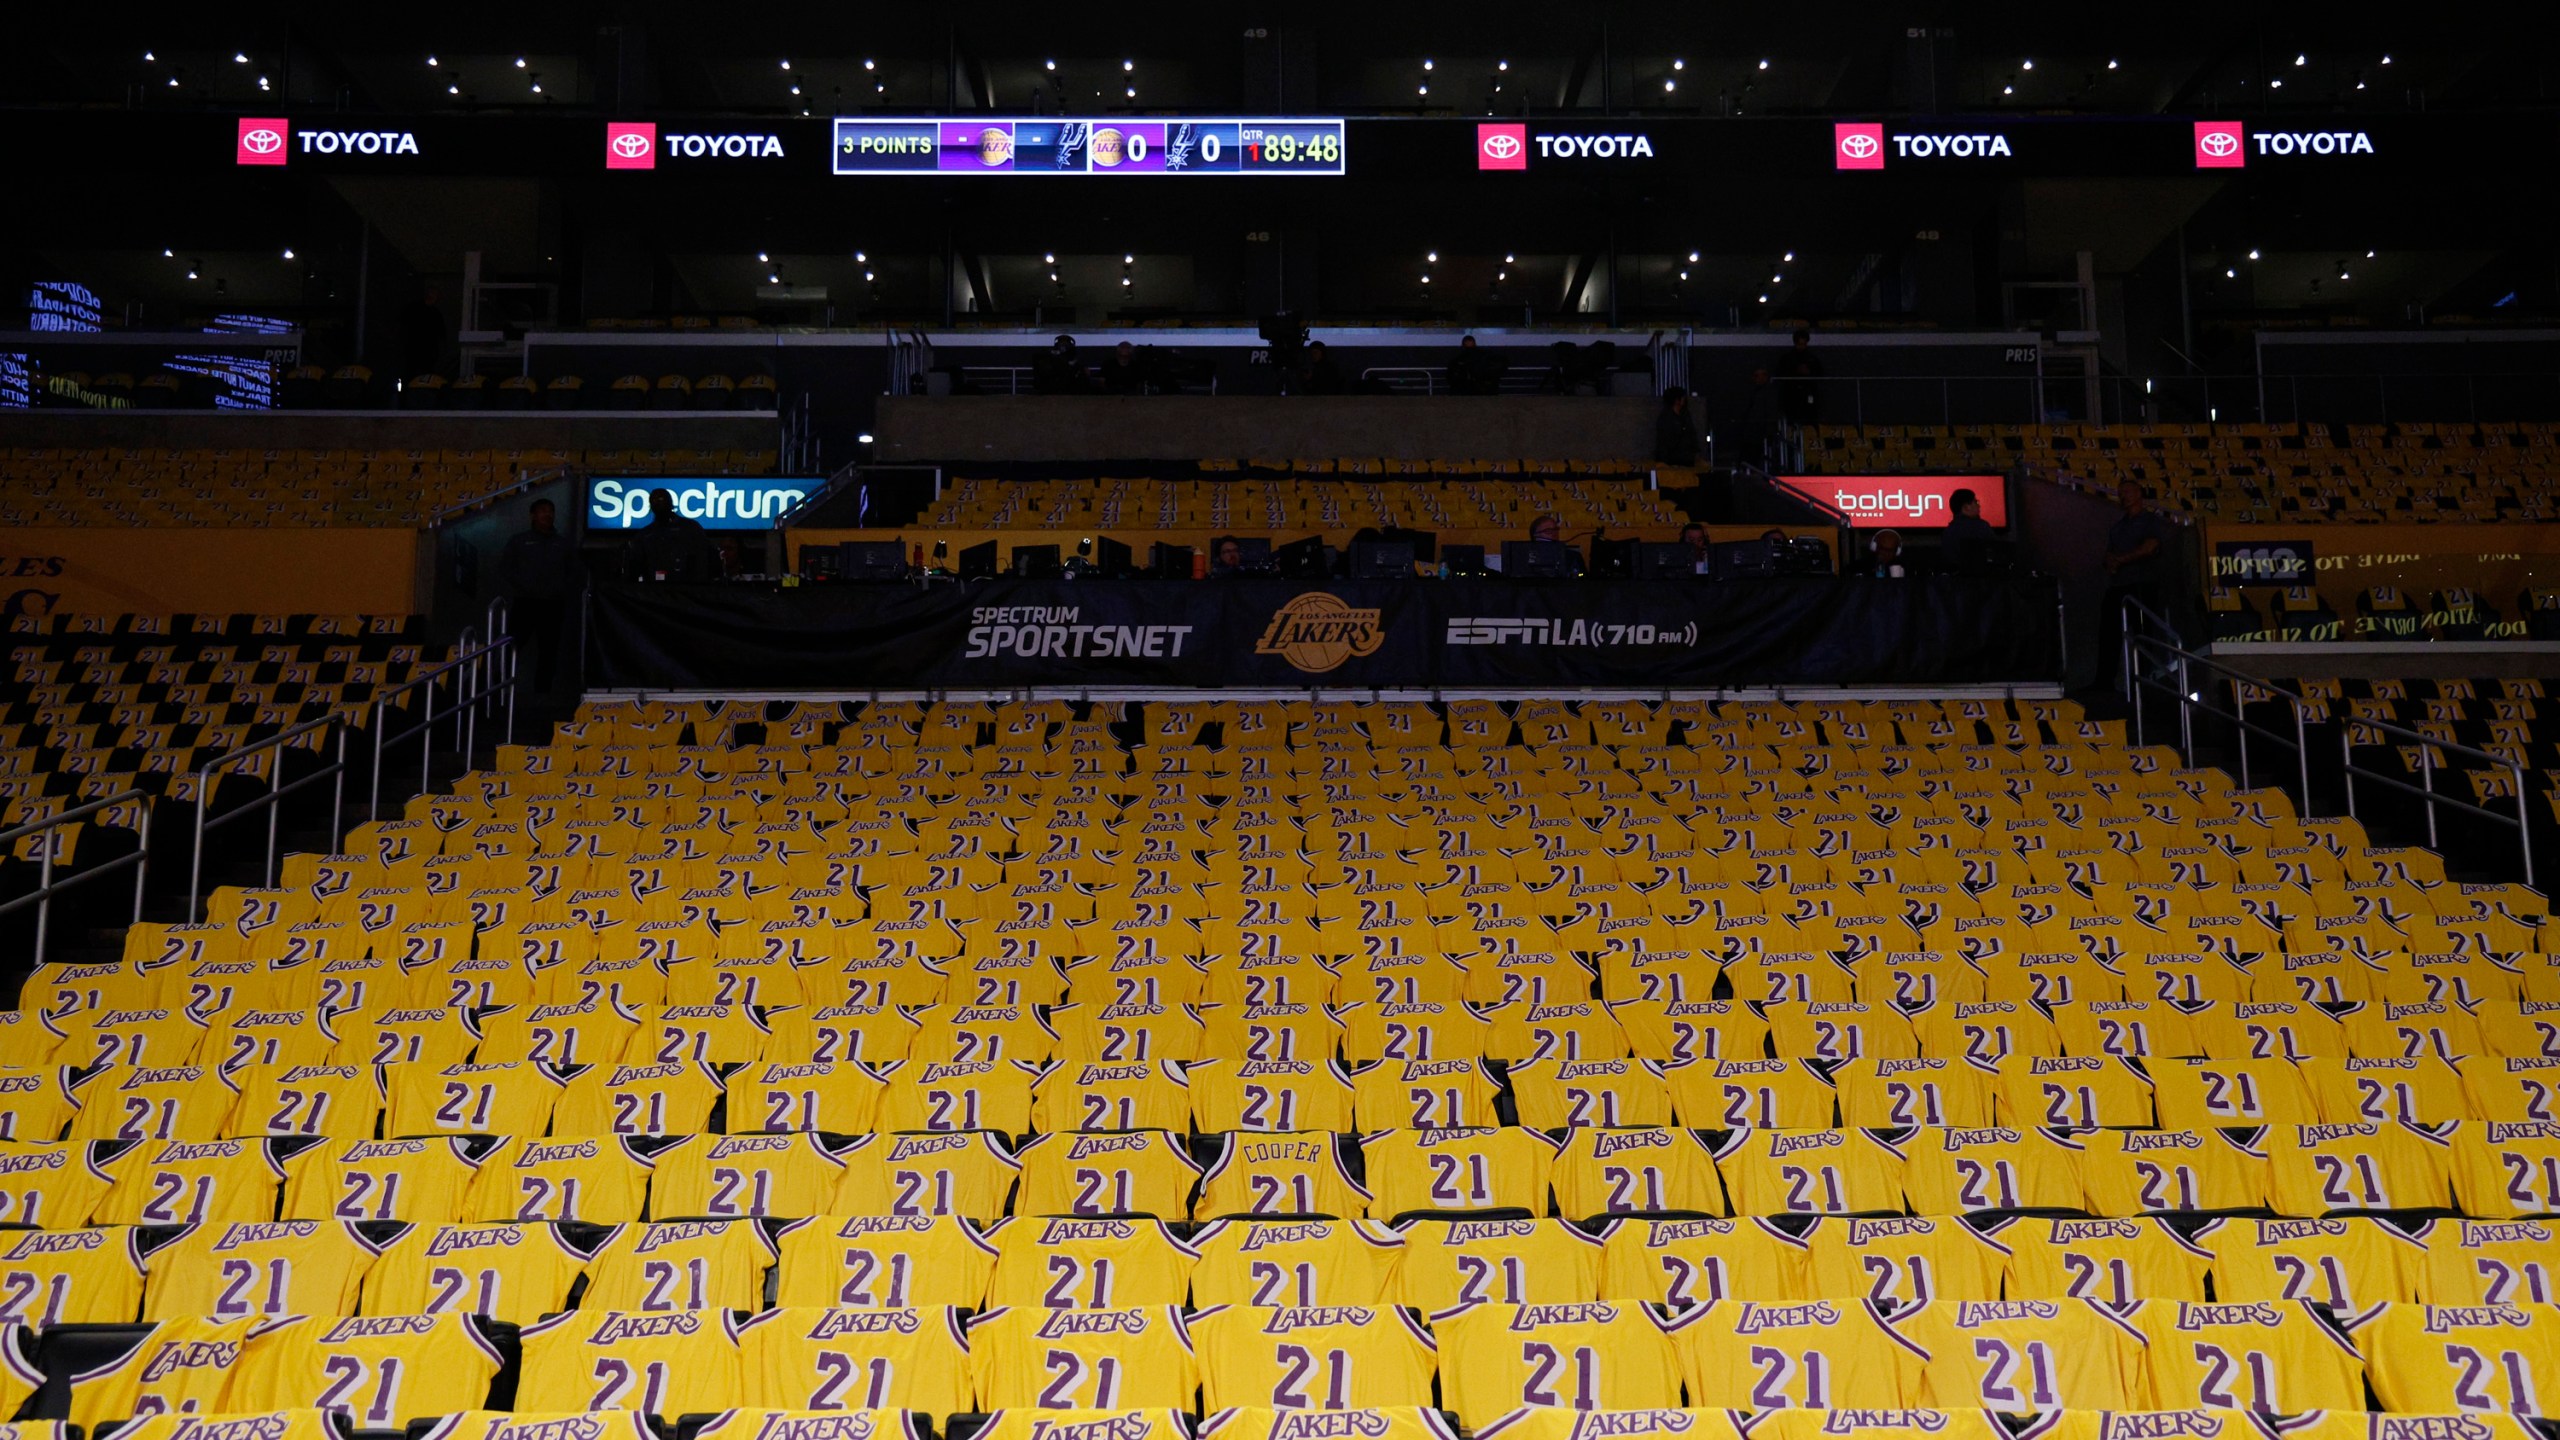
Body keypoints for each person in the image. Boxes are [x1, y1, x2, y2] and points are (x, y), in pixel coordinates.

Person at [500, 498, 583, 695]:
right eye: (543, 510)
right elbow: (506, 568)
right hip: (525, 603)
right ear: (532, 515)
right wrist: (524, 586)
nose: (547, 514)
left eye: (550, 511)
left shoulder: (563, 544)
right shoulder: (519, 541)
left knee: (549, 651)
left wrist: (560, 588)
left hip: (553, 604)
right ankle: (499, 692)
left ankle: (542, 695)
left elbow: (575, 572)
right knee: (512, 648)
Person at [2103, 479, 2178, 685]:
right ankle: (2105, 680)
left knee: (2142, 634)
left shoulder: (2150, 521)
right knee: (2109, 632)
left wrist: (2121, 559)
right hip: (2118, 585)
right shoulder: (2117, 527)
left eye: (2127, 491)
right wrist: (2111, 562)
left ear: (2138, 494)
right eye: (2120, 492)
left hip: (2142, 585)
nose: (2123, 496)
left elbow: (2149, 547)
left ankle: (2145, 678)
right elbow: (2109, 554)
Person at [625, 488, 724, 582]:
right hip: (654, 591)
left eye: (661, 499)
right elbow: (636, 565)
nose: (658, 502)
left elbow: (705, 558)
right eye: (654, 500)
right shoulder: (645, 535)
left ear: (670, 502)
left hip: (687, 589)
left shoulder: (690, 528)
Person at [1942, 487, 1996, 573]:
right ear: (1966, 507)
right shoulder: (1981, 527)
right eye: (1975, 502)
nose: (1979, 505)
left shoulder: (1948, 532)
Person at [1779, 330, 1821, 428]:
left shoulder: (1812, 358)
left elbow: (1820, 374)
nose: (1801, 346)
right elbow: (1781, 374)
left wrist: (1809, 373)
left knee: (1809, 417)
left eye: (1804, 344)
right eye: (1799, 344)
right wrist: (1795, 371)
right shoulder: (1787, 358)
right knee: (1793, 419)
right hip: (1792, 394)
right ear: (1795, 343)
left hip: (1808, 393)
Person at [1655, 388, 1700, 467]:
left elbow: (1692, 433)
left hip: (1686, 457)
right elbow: (1666, 441)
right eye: (1682, 397)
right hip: (1673, 459)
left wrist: (1694, 450)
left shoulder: (1685, 415)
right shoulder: (1666, 418)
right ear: (1676, 400)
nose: (1684, 399)